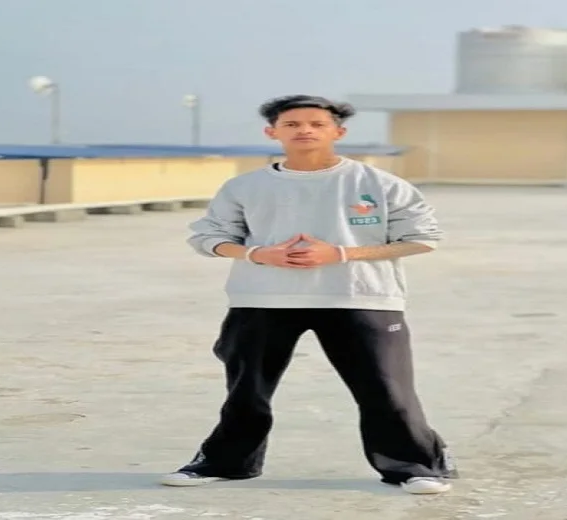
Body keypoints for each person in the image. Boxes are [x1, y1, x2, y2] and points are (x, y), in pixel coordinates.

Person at [160, 95, 458, 495]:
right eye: (292, 123)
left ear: (339, 132)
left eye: (317, 124)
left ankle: (415, 466)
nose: (305, 130)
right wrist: (258, 254)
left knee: (386, 388)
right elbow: (209, 237)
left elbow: (423, 238)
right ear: (273, 132)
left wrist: (340, 254)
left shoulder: (379, 184)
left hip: (359, 298)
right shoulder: (245, 186)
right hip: (262, 299)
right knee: (247, 391)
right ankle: (224, 463)